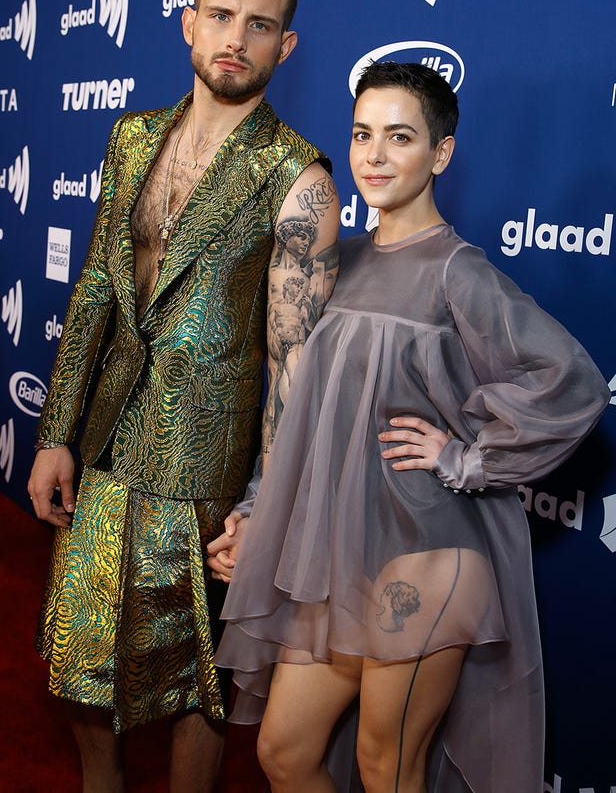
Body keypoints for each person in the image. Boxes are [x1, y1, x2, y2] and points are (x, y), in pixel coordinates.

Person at [210, 62, 610, 792]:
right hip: (337, 560)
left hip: (427, 553)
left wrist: (462, 455)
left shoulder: (458, 270)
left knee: (386, 767)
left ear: (441, 153)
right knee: (283, 751)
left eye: (400, 136)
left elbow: (573, 381)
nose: (375, 155)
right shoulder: (338, 262)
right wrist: (256, 511)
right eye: (363, 134)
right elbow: (302, 411)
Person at [27, 0, 339, 790]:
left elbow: (296, 366)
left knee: (199, 672)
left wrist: (262, 503)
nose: (237, 36)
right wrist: (56, 433)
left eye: (261, 24)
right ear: (188, 23)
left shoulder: (298, 177)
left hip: (207, 463)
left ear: (287, 44)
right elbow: (95, 286)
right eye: (221, 14)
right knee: (80, 649)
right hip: (104, 441)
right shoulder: (132, 138)